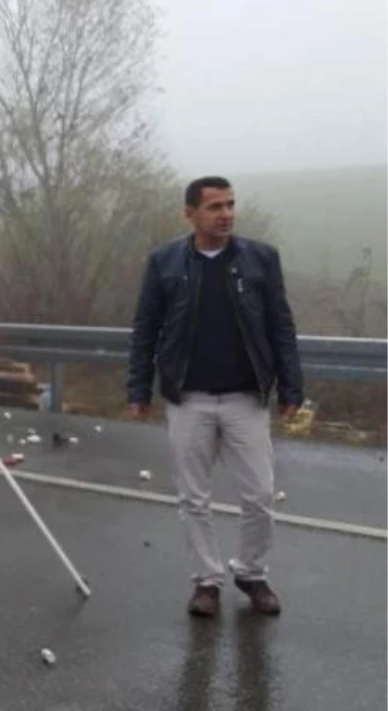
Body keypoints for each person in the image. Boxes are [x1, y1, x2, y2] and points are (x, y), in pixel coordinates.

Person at [126, 176, 303, 618]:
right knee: (194, 498)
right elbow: (146, 328)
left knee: (260, 495)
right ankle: (206, 581)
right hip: (189, 399)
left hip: (246, 397)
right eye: (215, 207)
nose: (226, 214)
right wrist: (138, 387)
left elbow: (280, 325)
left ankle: (251, 572)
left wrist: (292, 386)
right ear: (190, 214)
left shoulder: (260, 259)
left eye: (230, 205)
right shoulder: (165, 262)